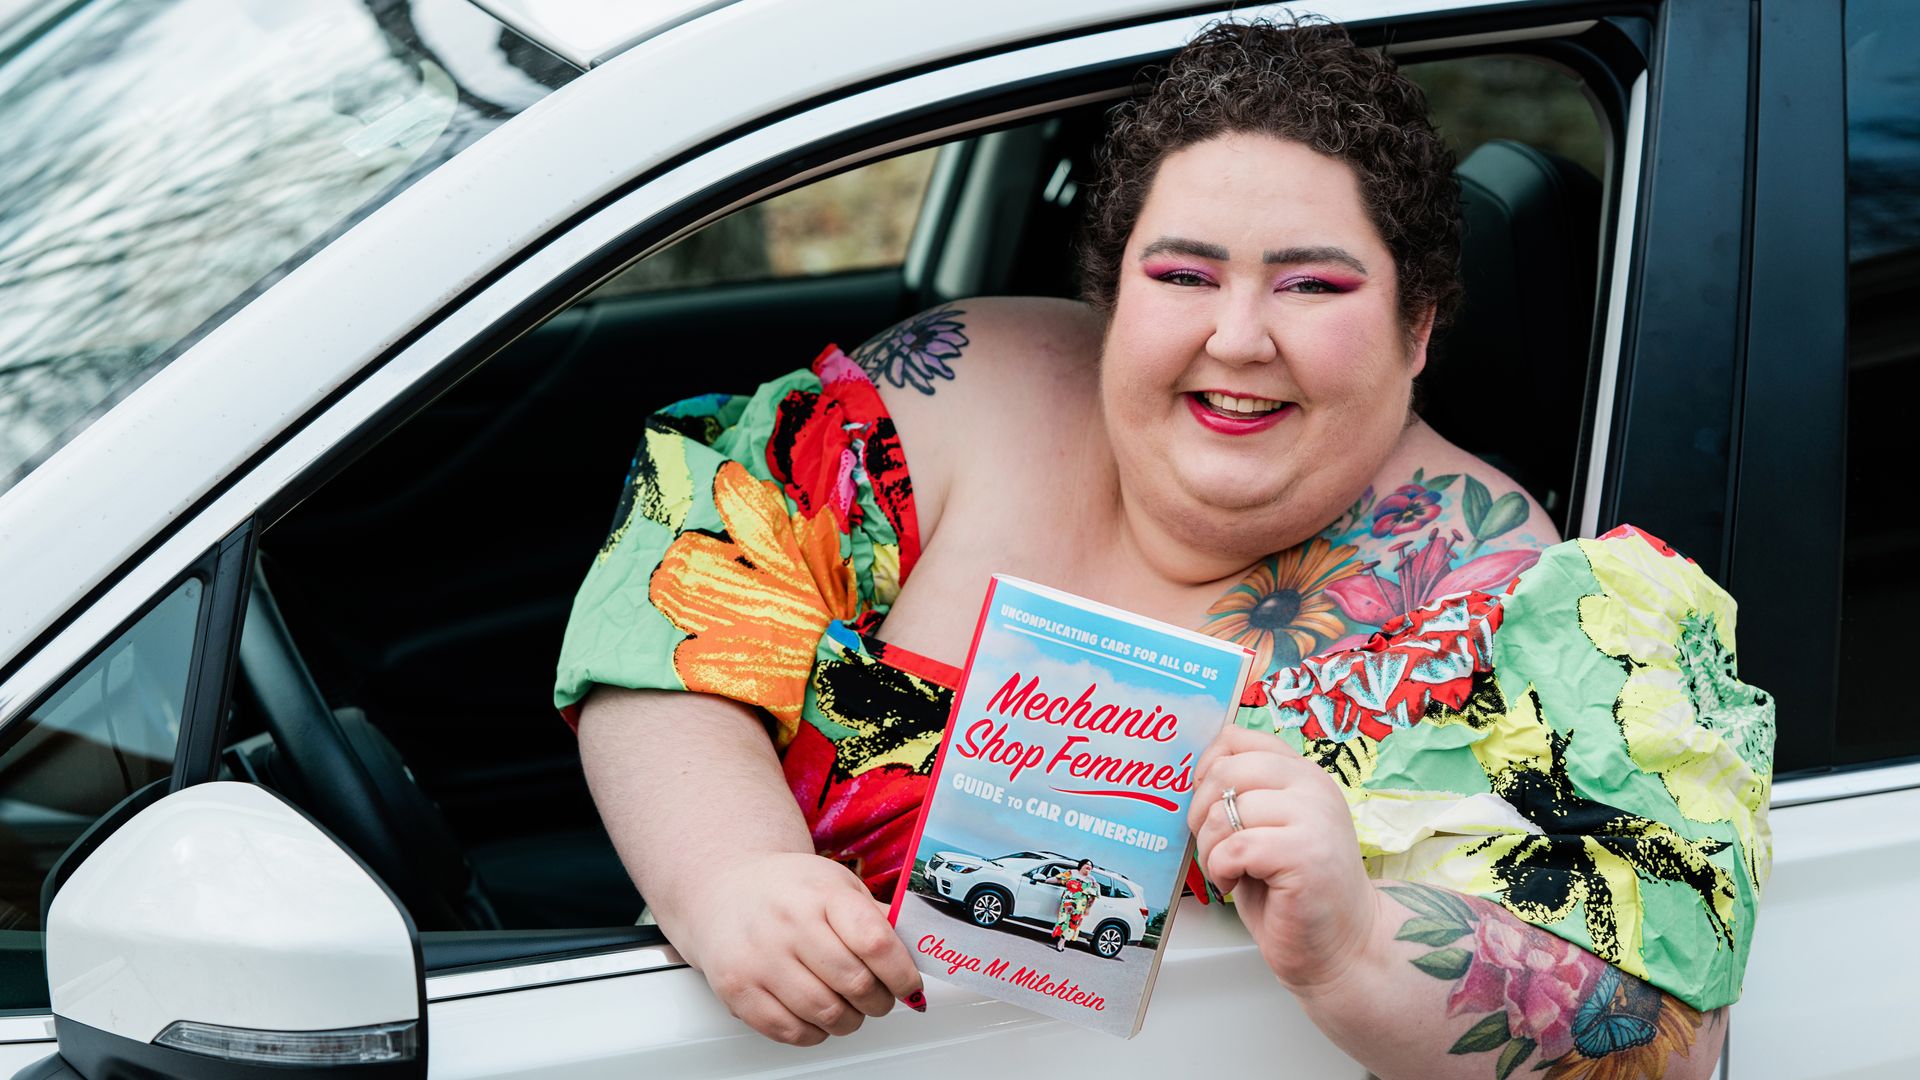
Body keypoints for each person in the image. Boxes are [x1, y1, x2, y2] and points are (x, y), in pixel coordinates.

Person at [553, 17, 1772, 1078]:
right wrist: (728, 880)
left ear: (1417, 326)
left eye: (1312, 287)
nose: (1238, 338)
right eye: (1184, 273)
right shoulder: (947, 392)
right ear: (1113, 292)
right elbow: (673, 586)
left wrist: (1350, 942)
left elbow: (1656, 1035)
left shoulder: (1508, 598)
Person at [1046, 860, 1101, 952]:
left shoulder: (1091, 880)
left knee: (1073, 923)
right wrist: (1046, 880)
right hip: (1068, 900)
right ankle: (1059, 939)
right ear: (1081, 865)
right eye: (1087, 864)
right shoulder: (1071, 873)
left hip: (1080, 905)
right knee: (1064, 920)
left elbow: (1093, 896)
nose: (1089, 866)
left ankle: (1062, 942)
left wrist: (1088, 908)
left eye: (1091, 866)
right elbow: (1058, 879)